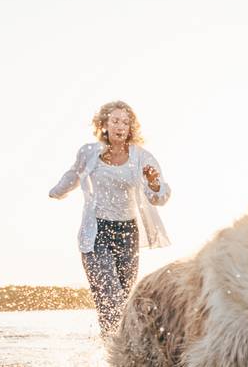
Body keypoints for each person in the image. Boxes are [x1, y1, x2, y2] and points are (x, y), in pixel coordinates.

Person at [49, 101, 172, 335]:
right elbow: (73, 175)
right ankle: (110, 350)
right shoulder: (88, 152)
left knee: (124, 300)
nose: (120, 126)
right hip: (96, 233)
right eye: (115, 121)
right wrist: (57, 191)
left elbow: (160, 196)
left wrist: (155, 183)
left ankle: (117, 353)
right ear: (104, 124)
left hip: (128, 234)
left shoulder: (142, 157)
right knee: (109, 295)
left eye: (126, 122)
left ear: (131, 128)